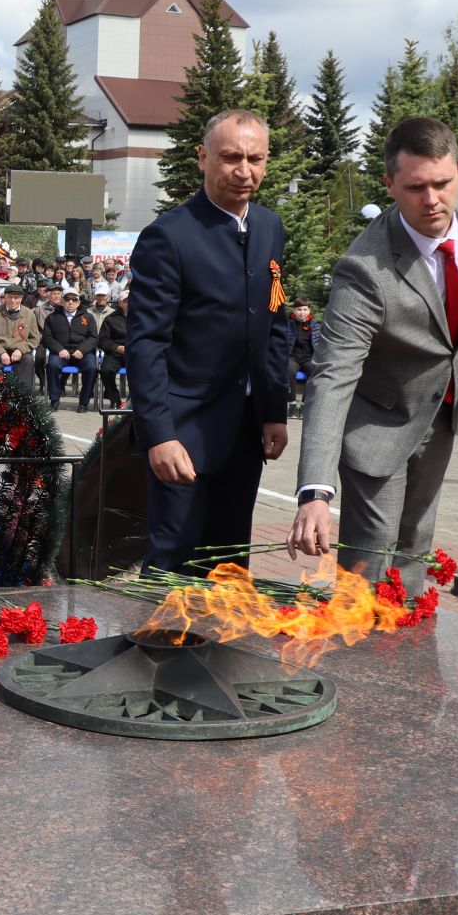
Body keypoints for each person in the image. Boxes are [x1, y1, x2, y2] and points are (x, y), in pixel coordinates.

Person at [288, 117, 458, 580]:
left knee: (416, 547)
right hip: (378, 423)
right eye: (415, 187)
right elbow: (333, 373)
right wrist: (315, 491)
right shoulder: (363, 269)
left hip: (441, 414)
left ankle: (407, 623)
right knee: (371, 557)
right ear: (390, 184)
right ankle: (362, 628)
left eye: (442, 183)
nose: (432, 200)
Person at [127, 109, 290, 574]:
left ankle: (222, 628)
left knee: (230, 562)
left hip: (245, 430)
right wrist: (159, 435)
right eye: (231, 157)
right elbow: (146, 344)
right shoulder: (169, 236)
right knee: (174, 561)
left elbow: (273, 323)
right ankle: (159, 629)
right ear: (203, 157)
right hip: (185, 430)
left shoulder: (269, 227)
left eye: (255, 159)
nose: (244, 171)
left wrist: (273, 411)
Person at [42, 288, 101, 412]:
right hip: (61, 352)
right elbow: (47, 338)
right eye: (67, 299)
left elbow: (93, 338)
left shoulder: (88, 317)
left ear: (78, 302)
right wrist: (59, 349)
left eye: (74, 299)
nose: (70, 302)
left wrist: (82, 350)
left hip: (82, 353)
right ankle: (54, 400)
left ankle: (84, 402)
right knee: (52, 365)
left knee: (92, 368)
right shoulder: (52, 317)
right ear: (62, 301)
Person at [0, 283, 40, 382]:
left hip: (21, 352)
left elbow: (34, 338)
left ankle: (23, 391)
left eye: (16, 298)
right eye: (10, 297)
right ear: (5, 297)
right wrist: (1, 352)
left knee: (28, 361)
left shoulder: (29, 314)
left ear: (21, 298)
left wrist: (20, 350)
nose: (13, 300)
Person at [286, 298, 321, 409]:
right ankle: (292, 403)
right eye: (299, 309)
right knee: (289, 370)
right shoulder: (288, 325)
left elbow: (320, 343)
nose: (302, 312)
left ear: (309, 310)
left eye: (305, 309)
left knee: (314, 371)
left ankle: (305, 404)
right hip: (293, 357)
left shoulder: (315, 326)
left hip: (309, 358)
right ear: (294, 310)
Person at [99, 290, 129, 408]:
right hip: (115, 354)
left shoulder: (141, 317)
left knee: (142, 371)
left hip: (135, 354)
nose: (129, 303)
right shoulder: (111, 319)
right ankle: (115, 399)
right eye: (126, 301)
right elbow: (103, 340)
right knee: (106, 370)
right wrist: (116, 348)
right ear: (120, 303)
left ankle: (133, 402)